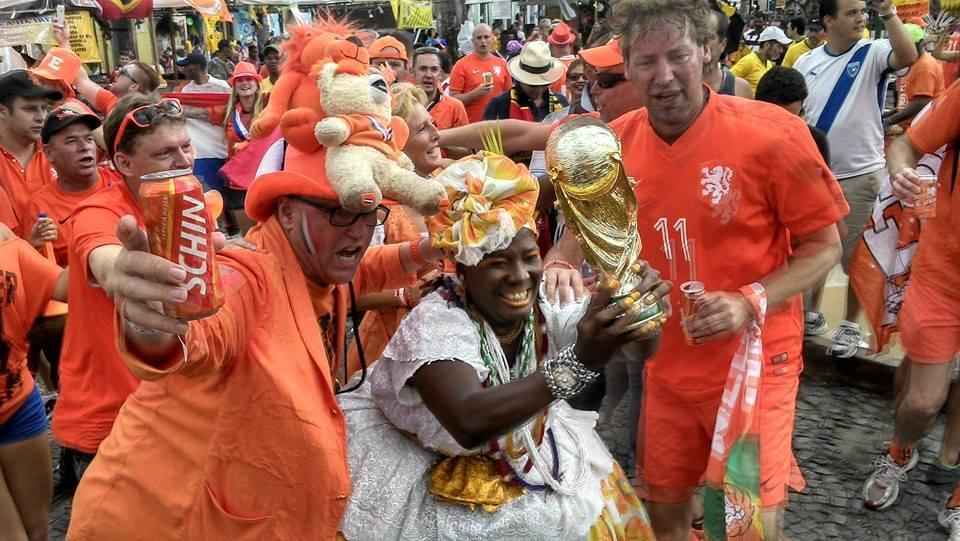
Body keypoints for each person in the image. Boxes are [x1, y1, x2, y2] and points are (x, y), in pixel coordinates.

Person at [66, 161, 442, 540]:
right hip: (162, 519)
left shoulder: (315, 264)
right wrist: (153, 321)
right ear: (289, 213)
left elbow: (366, 268)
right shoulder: (245, 273)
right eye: (340, 213)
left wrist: (430, 248)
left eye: (368, 214)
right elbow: (201, 331)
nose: (360, 232)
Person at [338, 150, 665, 541]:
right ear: (462, 268)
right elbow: (470, 421)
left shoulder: (543, 303)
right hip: (424, 475)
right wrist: (579, 362)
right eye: (497, 262)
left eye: (529, 257)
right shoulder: (436, 322)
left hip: (530, 457)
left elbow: (638, 350)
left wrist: (638, 313)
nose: (519, 276)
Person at [50, 94, 189, 491]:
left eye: (185, 146)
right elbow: (105, 257)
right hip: (109, 421)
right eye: (165, 153)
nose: (183, 161)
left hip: (166, 408)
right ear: (124, 164)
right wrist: (120, 272)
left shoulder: (180, 201)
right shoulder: (100, 211)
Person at [861, 80, 960, 537]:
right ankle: (901, 449)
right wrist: (903, 173)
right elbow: (908, 145)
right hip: (943, 276)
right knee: (922, 401)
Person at [793, 0, 919, 356]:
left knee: (858, 256)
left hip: (861, 175)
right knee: (816, 248)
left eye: (862, 12)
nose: (860, 18)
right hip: (817, 174)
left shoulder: (874, 51)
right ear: (828, 21)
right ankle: (811, 315)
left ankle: (849, 326)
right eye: (851, 13)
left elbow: (908, 56)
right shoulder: (807, 61)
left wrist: (889, 14)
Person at [345, 82, 441, 378]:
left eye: (433, 124)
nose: (437, 134)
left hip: (442, 343)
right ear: (397, 143)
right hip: (385, 350)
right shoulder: (377, 206)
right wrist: (403, 295)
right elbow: (347, 292)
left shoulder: (451, 186)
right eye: (423, 129)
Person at [0, 231, 68, 541]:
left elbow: (64, 284)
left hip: (18, 403)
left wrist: (106, 254)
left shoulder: (2, 236)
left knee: (38, 530)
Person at [29, 107, 121, 266]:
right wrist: (35, 246)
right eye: (71, 141)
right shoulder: (40, 206)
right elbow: (45, 274)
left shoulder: (122, 182)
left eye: (89, 139)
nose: (84, 147)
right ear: (49, 153)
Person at [189, 61, 263, 236]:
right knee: (248, 235)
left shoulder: (269, 106)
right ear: (235, 86)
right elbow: (198, 113)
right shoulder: (228, 112)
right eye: (240, 80)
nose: (244, 83)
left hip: (262, 175)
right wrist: (171, 106)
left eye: (248, 79)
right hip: (237, 180)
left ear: (257, 83)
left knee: (266, 229)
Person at [0, 70, 61, 238]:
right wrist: (30, 245)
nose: (41, 117)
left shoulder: (58, 150)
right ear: (2, 111)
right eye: (30, 109)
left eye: (44, 108)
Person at [175, 52, 232, 195]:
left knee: (224, 195)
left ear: (197, 67)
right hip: (200, 152)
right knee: (207, 195)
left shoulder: (222, 87)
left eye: (187, 66)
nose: (184, 69)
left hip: (220, 148)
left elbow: (230, 112)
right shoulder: (186, 90)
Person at [484, 41, 568, 124]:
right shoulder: (500, 104)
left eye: (544, 85)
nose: (539, 90)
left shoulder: (561, 103)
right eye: (532, 86)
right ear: (520, 80)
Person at [884, 24, 945, 131]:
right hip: (909, 126)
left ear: (920, 44)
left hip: (922, 129)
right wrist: (887, 115)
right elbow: (908, 101)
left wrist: (889, 121)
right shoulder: (912, 62)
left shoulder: (924, 66)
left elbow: (921, 102)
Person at [449, 24, 512, 123]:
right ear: (473, 41)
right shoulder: (461, 65)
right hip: (471, 127)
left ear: (492, 39)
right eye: (479, 38)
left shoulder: (502, 63)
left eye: (486, 37)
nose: (483, 41)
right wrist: (474, 94)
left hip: (498, 126)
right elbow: (452, 100)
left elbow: (509, 95)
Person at [74, 61, 164, 116]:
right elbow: (81, 81)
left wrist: (84, 113)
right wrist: (64, 42)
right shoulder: (113, 100)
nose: (116, 73)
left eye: (122, 72)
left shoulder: (144, 116)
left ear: (134, 86)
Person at [412, 47, 469, 130]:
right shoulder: (401, 104)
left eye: (434, 69)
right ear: (413, 72)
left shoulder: (455, 107)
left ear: (440, 74)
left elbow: (464, 141)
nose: (428, 75)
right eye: (423, 69)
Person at [704, 6, 753, 98]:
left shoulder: (740, 89)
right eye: (696, 36)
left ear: (722, 44)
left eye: (709, 37)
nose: (701, 43)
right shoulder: (676, 87)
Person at [730, 25, 792, 93]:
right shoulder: (749, 61)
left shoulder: (768, 65)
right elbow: (727, 82)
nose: (781, 51)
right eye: (779, 46)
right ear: (767, 45)